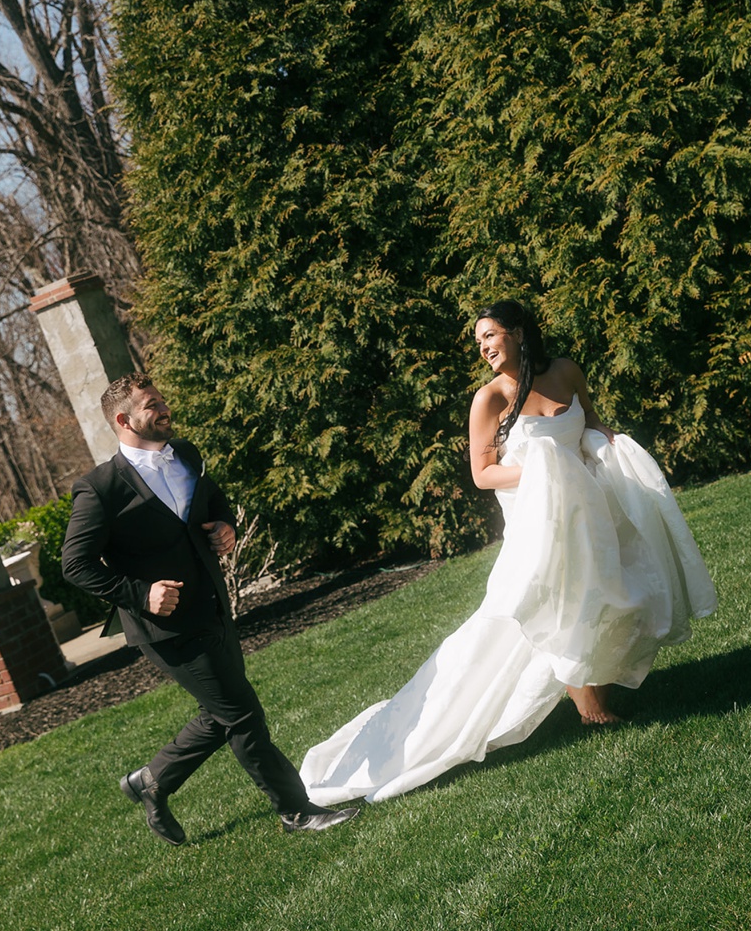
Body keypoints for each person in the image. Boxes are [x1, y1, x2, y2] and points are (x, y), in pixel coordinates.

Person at [301, 300, 717, 805]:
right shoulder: (490, 398)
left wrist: (611, 448)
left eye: (490, 335)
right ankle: (588, 710)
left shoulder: (565, 372)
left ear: (519, 333)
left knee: (613, 594)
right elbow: (483, 474)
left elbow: (591, 424)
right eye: (478, 341)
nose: (483, 347)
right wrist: (546, 471)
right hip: (538, 521)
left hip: (591, 508)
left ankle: (595, 692)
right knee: (555, 606)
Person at [61, 372, 361, 842]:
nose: (164, 409)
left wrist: (224, 524)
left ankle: (151, 781)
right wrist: (141, 595)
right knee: (242, 716)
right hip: (166, 630)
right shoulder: (99, 488)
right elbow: (75, 565)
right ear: (124, 420)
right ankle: (295, 810)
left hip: (215, 607)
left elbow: (209, 497)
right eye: (151, 405)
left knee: (221, 712)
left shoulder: (186, 454)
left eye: (162, 399)